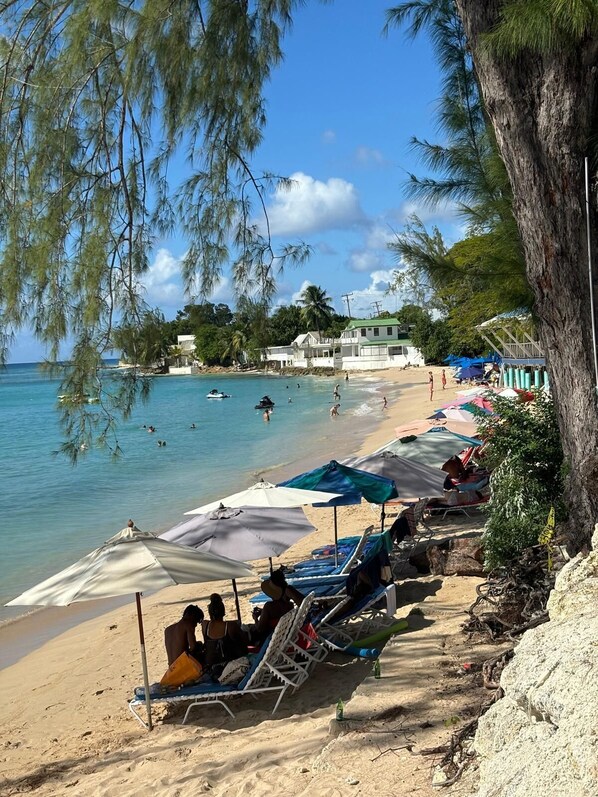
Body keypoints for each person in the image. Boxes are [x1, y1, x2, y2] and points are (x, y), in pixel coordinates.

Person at [250, 570, 305, 645]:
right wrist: (263, 612)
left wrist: (255, 618)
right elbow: (278, 614)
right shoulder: (289, 605)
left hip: (271, 641)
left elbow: (260, 629)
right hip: (285, 636)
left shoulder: (269, 606)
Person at [201, 594, 248, 675]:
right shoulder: (230, 626)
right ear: (223, 612)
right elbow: (245, 640)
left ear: (209, 612)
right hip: (229, 665)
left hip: (210, 665)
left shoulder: (205, 625)